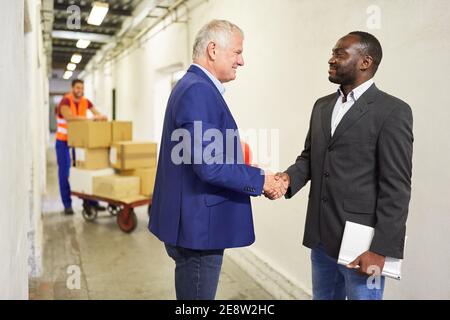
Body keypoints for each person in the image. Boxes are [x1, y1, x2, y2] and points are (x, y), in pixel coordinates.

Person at [268, 31, 413, 300]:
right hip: (321, 239)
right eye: (333, 53)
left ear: (365, 62)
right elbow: (310, 158)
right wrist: (286, 180)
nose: (331, 60)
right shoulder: (322, 106)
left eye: (339, 54)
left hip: (362, 247)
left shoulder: (392, 111)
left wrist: (380, 250)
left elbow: (397, 187)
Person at [148, 20, 285, 300]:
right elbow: (209, 166)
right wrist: (261, 181)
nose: (242, 61)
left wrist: (244, 163)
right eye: (237, 52)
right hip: (199, 228)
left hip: (194, 223)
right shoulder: (198, 90)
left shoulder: (193, 86)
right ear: (213, 49)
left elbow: (204, 153)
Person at [55, 79, 108, 215]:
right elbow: (69, 118)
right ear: (72, 88)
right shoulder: (65, 101)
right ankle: (67, 205)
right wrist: (91, 119)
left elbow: (97, 113)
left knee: (85, 170)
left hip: (79, 142)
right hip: (63, 142)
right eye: (77, 88)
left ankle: (91, 202)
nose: (80, 90)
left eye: (82, 88)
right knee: (65, 173)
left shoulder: (86, 101)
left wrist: (101, 116)